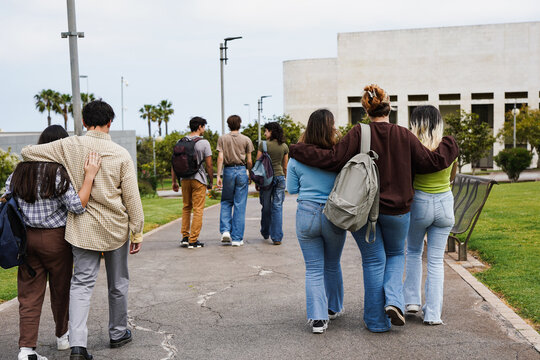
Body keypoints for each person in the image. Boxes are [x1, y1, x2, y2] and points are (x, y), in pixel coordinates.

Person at [289, 84, 459, 332]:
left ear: (365, 111)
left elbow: (332, 159)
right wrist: (450, 143)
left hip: (363, 212)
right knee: (396, 255)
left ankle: (376, 322)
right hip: (398, 211)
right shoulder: (404, 135)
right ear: (389, 108)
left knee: (372, 262)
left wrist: (296, 149)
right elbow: (431, 162)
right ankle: (393, 301)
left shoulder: (359, 133)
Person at [21, 100, 144, 360]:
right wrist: (137, 231)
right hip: (115, 228)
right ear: (110, 122)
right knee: (118, 283)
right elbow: (132, 198)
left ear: (84, 122)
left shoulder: (69, 145)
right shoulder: (121, 154)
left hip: (82, 229)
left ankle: (78, 346)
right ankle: (118, 333)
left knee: (81, 285)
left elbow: (28, 152)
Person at [3, 125, 100, 360]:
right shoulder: (57, 172)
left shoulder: (19, 171)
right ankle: (62, 336)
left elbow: (6, 196)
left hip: (26, 240)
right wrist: (89, 176)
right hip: (57, 240)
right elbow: (78, 207)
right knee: (61, 290)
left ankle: (26, 349)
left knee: (28, 295)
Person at [287, 109, 346, 334]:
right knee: (332, 263)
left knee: (313, 268)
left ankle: (318, 319)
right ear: (331, 128)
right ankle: (334, 307)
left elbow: (292, 189)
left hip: (306, 213)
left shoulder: (296, 158)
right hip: (334, 215)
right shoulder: (337, 156)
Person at [403, 105, 457, 325]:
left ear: (415, 124)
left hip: (420, 204)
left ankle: (412, 301)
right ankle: (433, 315)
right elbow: (453, 175)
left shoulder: (412, 147)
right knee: (436, 261)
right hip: (445, 203)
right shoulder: (449, 146)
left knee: (414, 252)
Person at [172, 116, 213, 249]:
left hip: (184, 179)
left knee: (186, 207)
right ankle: (193, 240)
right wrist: (210, 181)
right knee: (198, 209)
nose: (204, 129)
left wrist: (174, 181)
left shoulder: (180, 141)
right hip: (198, 179)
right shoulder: (204, 143)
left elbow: (173, 163)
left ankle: (185, 237)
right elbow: (209, 165)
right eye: (204, 127)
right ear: (200, 127)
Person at [216, 115, 254, 246]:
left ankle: (225, 231)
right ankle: (237, 238)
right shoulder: (246, 140)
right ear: (240, 124)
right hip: (242, 170)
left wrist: (218, 176)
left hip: (228, 171)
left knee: (226, 201)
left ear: (228, 125)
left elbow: (220, 157)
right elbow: (249, 160)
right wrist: (248, 172)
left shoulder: (222, 139)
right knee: (240, 204)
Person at [257, 122, 289, 245]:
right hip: (280, 177)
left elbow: (258, 164)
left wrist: (257, 181)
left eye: (266, 131)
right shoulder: (284, 146)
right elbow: (285, 166)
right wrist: (284, 178)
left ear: (272, 131)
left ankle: (265, 232)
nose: (265, 133)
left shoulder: (263, 145)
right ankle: (277, 238)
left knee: (266, 206)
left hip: (266, 179)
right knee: (277, 207)